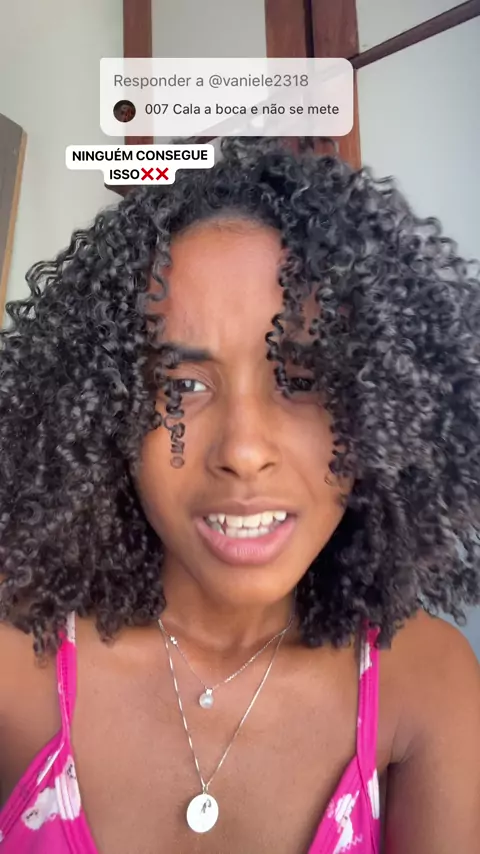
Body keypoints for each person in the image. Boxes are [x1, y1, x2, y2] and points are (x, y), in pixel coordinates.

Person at [0, 136, 479, 854]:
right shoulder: (16, 663)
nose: (244, 450)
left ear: (378, 405)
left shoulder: (426, 685)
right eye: (183, 385)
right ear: (104, 410)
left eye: (300, 380)